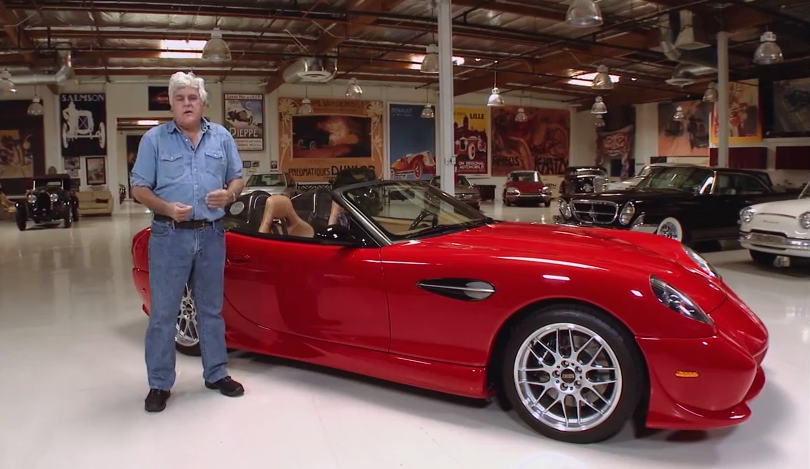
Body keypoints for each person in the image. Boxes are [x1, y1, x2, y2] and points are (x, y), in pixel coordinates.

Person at [130, 71, 246, 413]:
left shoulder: (221, 137)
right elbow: (138, 188)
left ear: (203, 102)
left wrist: (229, 194)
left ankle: (216, 374)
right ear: (171, 104)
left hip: (211, 234)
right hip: (169, 235)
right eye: (179, 98)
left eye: (192, 98)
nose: (186, 104)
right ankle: (159, 383)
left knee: (210, 310)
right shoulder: (154, 140)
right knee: (164, 313)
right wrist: (166, 208)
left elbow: (238, 177)